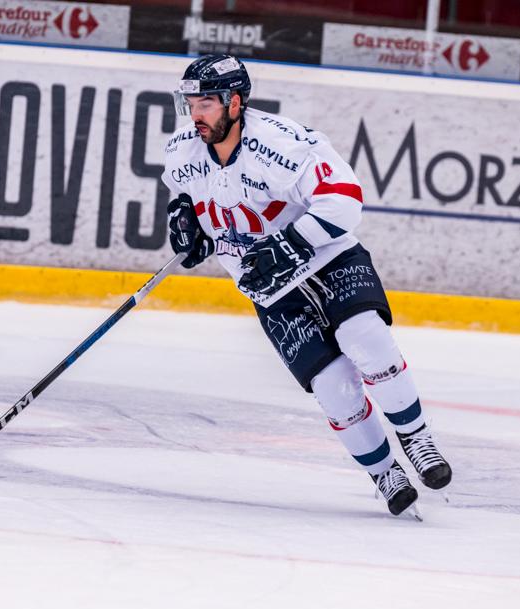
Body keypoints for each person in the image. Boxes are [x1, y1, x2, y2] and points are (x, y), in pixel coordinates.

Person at [162, 54, 451, 517]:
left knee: (367, 339)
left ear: (235, 102)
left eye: (206, 105)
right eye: (190, 104)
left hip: (327, 257)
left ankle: (417, 440)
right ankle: (383, 472)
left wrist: (291, 242)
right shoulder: (182, 150)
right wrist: (185, 224)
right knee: (334, 387)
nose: (195, 115)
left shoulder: (282, 145)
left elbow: (345, 200)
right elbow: (186, 199)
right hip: (267, 287)